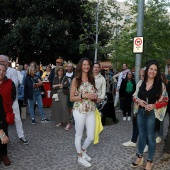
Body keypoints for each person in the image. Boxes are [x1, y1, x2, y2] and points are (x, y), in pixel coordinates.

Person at [131, 60, 168, 170]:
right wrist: (139, 101)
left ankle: (150, 162)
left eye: (155, 70)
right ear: (147, 69)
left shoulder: (160, 85)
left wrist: (154, 106)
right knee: (142, 136)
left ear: (157, 72)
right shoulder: (140, 83)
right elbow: (134, 96)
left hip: (152, 114)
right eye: (151, 69)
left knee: (151, 138)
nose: (153, 71)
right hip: (141, 113)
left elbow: (165, 100)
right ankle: (139, 157)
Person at [70, 58, 97, 168]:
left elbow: (94, 94)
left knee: (90, 136)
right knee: (79, 135)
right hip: (79, 110)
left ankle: (83, 151)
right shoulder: (76, 80)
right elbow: (71, 98)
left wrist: (95, 97)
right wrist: (83, 96)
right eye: (84, 64)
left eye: (88, 65)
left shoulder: (91, 79)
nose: (86, 66)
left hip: (90, 109)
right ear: (81, 66)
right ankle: (80, 157)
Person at [0, 55, 29, 145]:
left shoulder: (12, 71)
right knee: (3, 120)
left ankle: (21, 136)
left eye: (1, 61)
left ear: (6, 62)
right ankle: (4, 137)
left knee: (16, 118)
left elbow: (15, 84)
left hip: (12, 100)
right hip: (1, 102)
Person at [0, 63, 16, 166]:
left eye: (3, 71)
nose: (1, 72)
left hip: (5, 112)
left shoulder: (10, 82)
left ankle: (4, 154)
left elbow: (13, 96)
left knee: (4, 132)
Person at [51, 66, 71, 130]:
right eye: (59, 70)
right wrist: (60, 85)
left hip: (63, 94)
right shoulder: (55, 78)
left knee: (64, 108)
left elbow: (66, 85)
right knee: (58, 108)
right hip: (56, 94)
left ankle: (68, 123)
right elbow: (53, 86)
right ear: (57, 71)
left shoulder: (65, 77)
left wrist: (58, 85)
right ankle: (61, 121)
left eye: (62, 70)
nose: (60, 72)